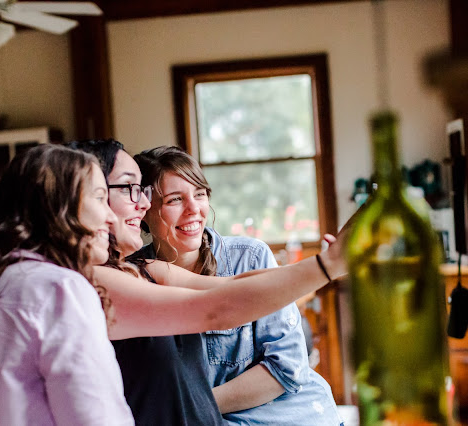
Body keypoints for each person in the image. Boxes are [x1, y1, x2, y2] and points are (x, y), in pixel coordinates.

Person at [68, 139, 348, 425]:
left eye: (199, 194)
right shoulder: (98, 279)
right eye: (174, 199)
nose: (193, 209)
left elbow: (233, 288)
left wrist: (326, 264)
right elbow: (218, 308)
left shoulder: (151, 266)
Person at [0, 145, 134, 425]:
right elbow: (95, 416)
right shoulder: (61, 289)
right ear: (58, 205)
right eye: (100, 198)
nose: (111, 217)